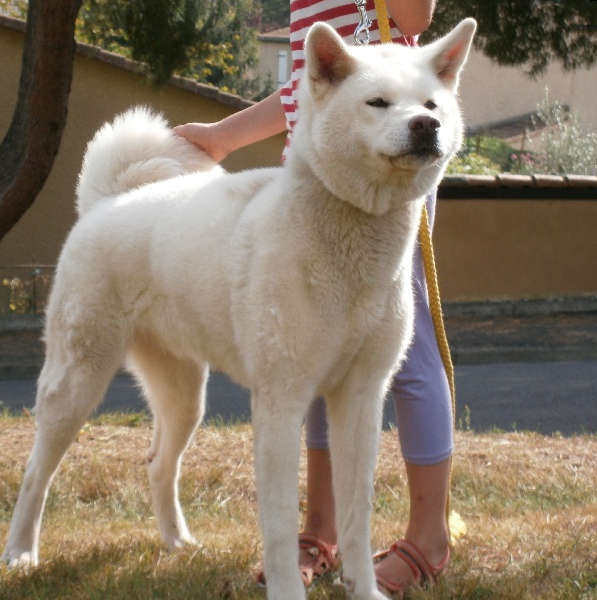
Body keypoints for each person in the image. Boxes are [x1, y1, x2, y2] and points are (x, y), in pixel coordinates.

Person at [174, 1, 452, 595]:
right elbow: (313, 81)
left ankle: (429, 537)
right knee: (319, 352)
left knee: (409, 358)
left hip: (393, 165)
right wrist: (224, 138)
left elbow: (415, 20)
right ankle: (324, 531)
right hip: (322, 169)